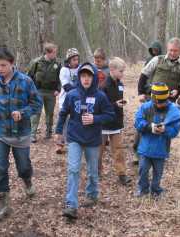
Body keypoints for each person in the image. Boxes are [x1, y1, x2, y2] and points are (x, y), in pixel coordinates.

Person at [0, 45, 42, 221]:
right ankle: (3, 204)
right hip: (0, 133)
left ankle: (27, 180)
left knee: (23, 166)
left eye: (3, 65)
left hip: (21, 133)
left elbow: (37, 104)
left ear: (11, 63)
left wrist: (22, 113)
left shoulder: (25, 81)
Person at [55, 62, 115, 219]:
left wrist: (95, 118)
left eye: (89, 76)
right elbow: (63, 113)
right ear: (79, 77)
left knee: (92, 171)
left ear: (94, 77)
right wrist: (58, 132)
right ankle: (71, 204)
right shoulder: (72, 94)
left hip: (93, 139)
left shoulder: (100, 96)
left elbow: (110, 115)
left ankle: (92, 194)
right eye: (83, 76)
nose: (86, 79)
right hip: (74, 137)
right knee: (73, 169)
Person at [134, 82, 180, 198]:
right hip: (145, 148)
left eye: (163, 102)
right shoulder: (145, 107)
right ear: (153, 99)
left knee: (158, 173)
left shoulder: (173, 111)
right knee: (143, 171)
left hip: (161, 149)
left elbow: (175, 131)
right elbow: (137, 122)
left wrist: (165, 130)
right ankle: (143, 190)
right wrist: (150, 127)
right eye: (158, 102)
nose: (161, 104)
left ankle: (155, 190)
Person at [99, 57, 132, 185]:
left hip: (116, 123)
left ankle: (122, 174)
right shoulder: (103, 86)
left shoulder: (120, 85)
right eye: (121, 71)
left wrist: (120, 104)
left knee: (118, 150)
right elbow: (101, 105)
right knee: (98, 150)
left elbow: (118, 101)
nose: (123, 74)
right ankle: (96, 172)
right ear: (112, 70)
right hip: (103, 124)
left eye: (123, 71)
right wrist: (114, 104)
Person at [133, 40, 163, 165]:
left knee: (157, 125)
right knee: (142, 124)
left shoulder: (163, 62)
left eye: (156, 50)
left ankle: (153, 153)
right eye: (153, 50)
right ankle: (137, 152)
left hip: (159, 97)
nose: (154, 52)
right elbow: (143, 77)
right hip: (147, 95)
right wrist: (142, 93)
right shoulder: (149, 61)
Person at [137, 37, 180, 104]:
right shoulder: (157, 59)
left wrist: (178, 91)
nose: (172, 53)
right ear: (167, 49)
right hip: (152, 98)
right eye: (170, 50)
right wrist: (141, 93)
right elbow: (143, 75)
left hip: (169, 101)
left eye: (175, 51)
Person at [27, 42, 61, 143]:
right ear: (47, 52)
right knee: (36, 112)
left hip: (51, 92)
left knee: (50, 113)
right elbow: (29, 77)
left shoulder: (57, 64)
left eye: (56, 52)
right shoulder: (36, 62)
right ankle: (32, 134)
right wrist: (31, 90)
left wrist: (58, 89)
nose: (55, 54)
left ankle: (49, 132)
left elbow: (60, 78)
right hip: (38, 91)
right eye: (54, 52)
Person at [56, 48, 81, 154]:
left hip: (78, 100)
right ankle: (59, 144)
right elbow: (66, 86)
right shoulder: (64, 70)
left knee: (76, 120)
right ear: (69, 60)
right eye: (74, 59)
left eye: (77, 59)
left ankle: (75, 142)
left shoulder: (81, 68)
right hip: (65, 99)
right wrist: (78, 88)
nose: (76, 62)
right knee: (63, 121)